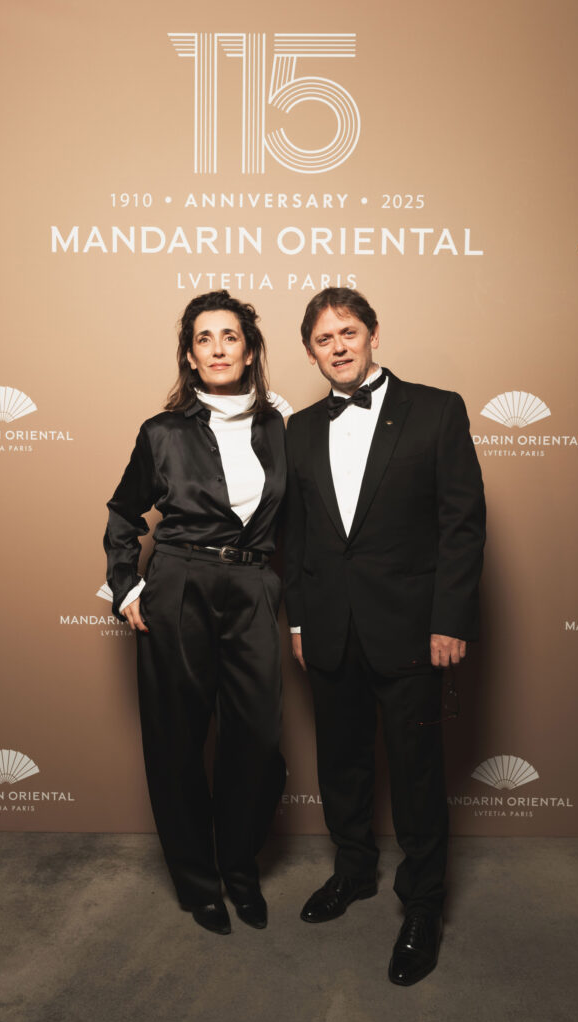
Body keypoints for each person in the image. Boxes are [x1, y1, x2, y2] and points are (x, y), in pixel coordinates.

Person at [284, 288, 486, 985]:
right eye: (323, 339)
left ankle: (423, 906)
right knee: (341, 764)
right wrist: (300, 620)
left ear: (373, 334)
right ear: (310, 352)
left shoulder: (437, 409)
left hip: (411, 629)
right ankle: (353, 871)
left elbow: (462, 523)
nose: (337, 346)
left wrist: (449, 619)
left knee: (417, 772)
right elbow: (296, 537)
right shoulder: (298, 430)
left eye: (348, 332)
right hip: (330, 627)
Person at [103, 290, 289, 935]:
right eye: (204, 338)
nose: (217, 348)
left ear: (250, 349)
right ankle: (197, 881)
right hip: (179, 581)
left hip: (254, 585)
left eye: (230, 336)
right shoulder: (161, 432)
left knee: (257, 742)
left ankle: (239, 868)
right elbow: (124, 514)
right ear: (189, 355)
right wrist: (126, 587)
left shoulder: (281, 427)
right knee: (177, 740)